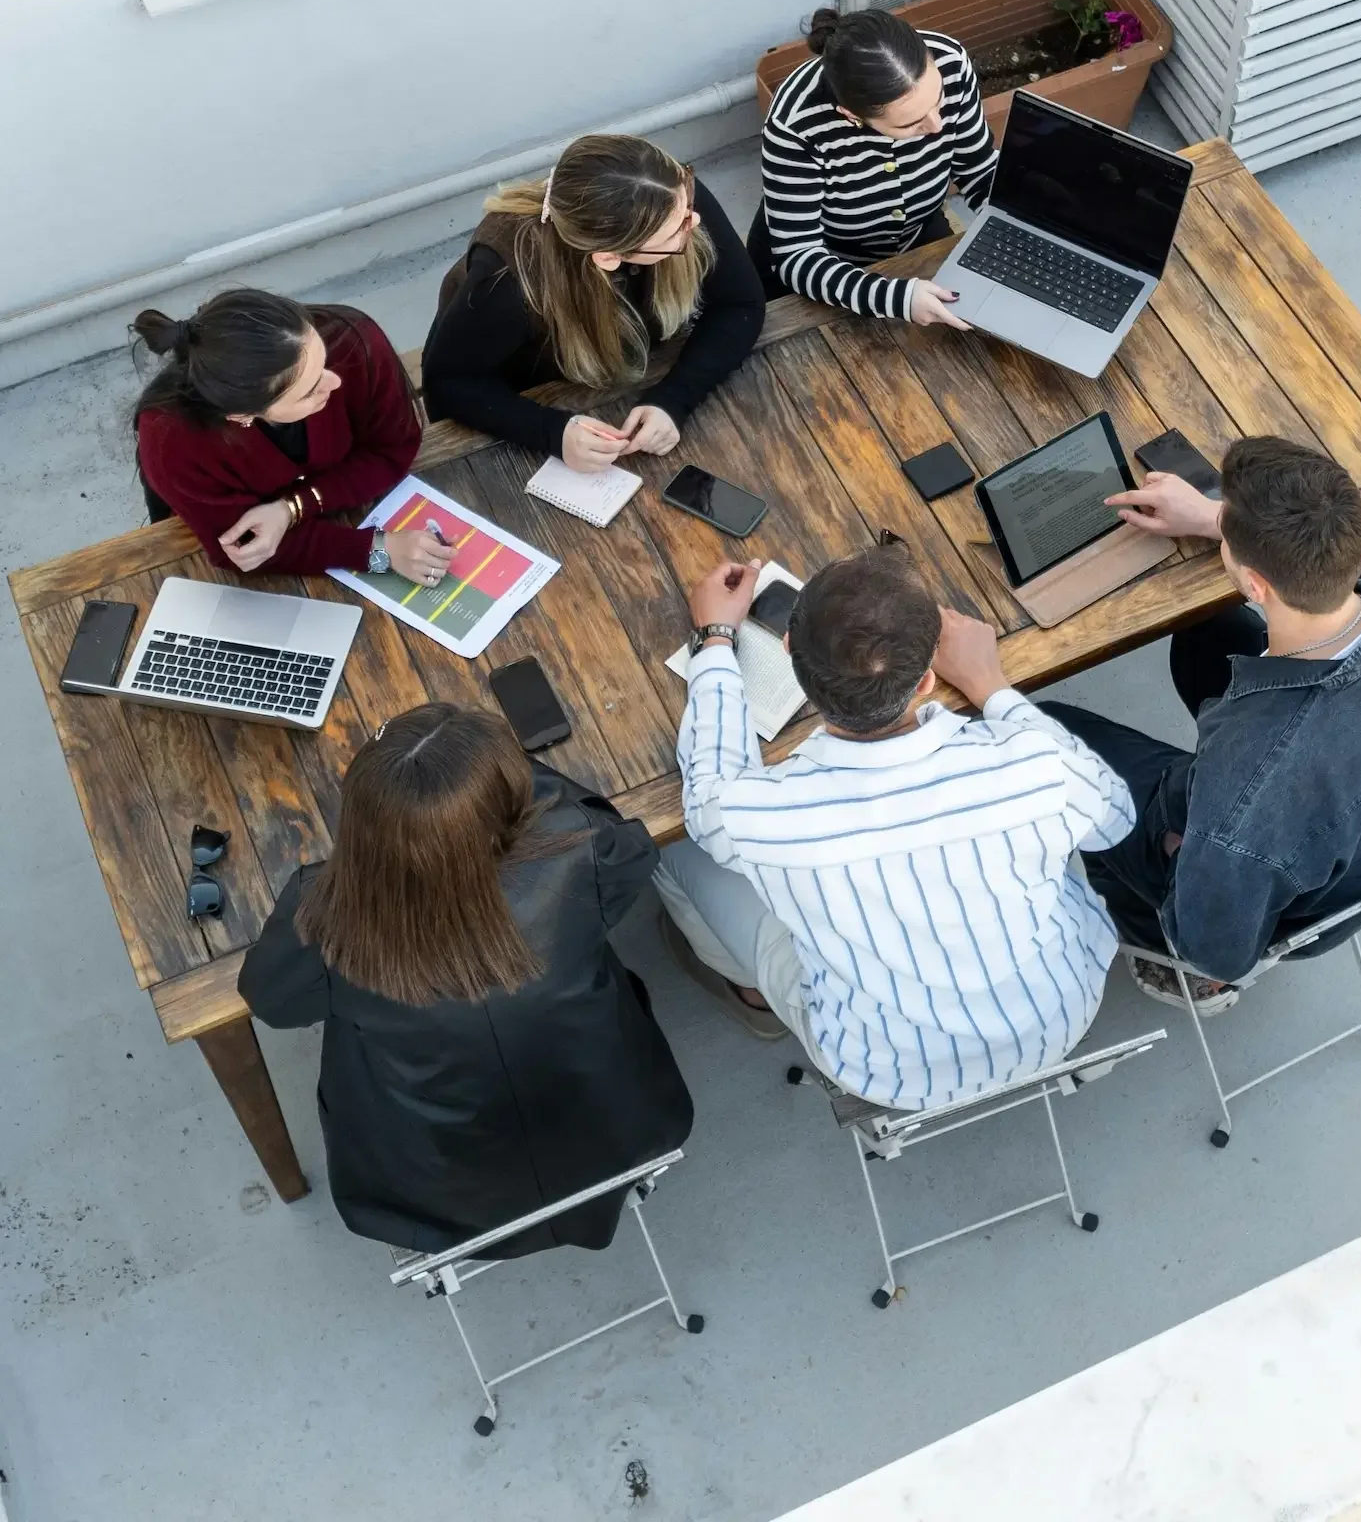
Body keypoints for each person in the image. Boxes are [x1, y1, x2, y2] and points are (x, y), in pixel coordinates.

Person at [653, 543, 1132, 1109]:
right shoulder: (1035, 763)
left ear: (787, 652)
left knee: (673, 856)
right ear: (927, 678)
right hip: (1060, 1014)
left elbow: (705, 803)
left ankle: (754, 993)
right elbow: (1115, 821)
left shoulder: (766, 814)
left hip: (884, 1070)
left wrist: (714, 640)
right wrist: (991, 685)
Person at [239, 704, 693, 1254]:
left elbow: (273, 1003)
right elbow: (629, 860)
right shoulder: (578, 845)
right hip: (622, 1138)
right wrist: (499, 775)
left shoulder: (323, 915)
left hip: (434, 1200)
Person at [1039, 436, 1361, 1011]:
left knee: (1042, 738)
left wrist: (1189, 849)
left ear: (1257, 584)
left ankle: (1159, 951)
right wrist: (1211, 516)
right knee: (1203, 639)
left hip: (1297, 896)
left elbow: (1217, 945)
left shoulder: (1248, 775)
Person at [422, 136, 765, 475]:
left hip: (625, 368)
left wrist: (675, 398)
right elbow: (450, 381)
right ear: (609, 258)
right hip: (533, 387)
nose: (695, 222)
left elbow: (741, 303)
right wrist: (552, 432)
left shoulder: (667, 195)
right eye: (677, 233)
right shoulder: (507, 283)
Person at [133, 287, 433, 582]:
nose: (336, 381)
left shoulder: (351, 339)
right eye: (309, 390)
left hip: (340, 514)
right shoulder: (171, 440)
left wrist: (292, 508)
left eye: (323, 358)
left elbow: (393, 448)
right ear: (242, 416)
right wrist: (377, 550)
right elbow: (242, 548)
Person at [753, 7, 998, 326]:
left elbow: (978, 167)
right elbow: (798, 255)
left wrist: (1022, 226)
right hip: (824, 267)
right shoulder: (794, 126)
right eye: (911, 123)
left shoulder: (950, 60)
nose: (937, 126)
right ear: (852, 115)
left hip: (918, 236)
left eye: (938, 100)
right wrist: (894, 298)